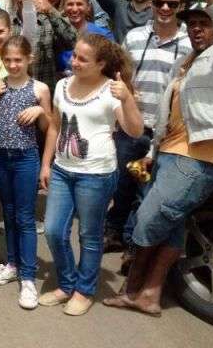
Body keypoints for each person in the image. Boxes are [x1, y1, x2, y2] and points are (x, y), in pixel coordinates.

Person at [104, 0, 213, 317]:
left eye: (205, 23)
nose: (197, 28)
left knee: (147, 218)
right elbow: (167, 116)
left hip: (199, 156)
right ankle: (149, 295)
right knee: (172, 223)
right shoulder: (186, 62)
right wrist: (152, 153)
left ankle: (133, 288)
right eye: (194, 24)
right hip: (170, 152)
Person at [39, 33, 144, 315]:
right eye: (74, 55)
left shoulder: (112, 91)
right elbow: (55, 126)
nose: (74, 62)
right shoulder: (62, 85)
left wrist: (128, 99)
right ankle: (66, 283)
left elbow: (135, 131)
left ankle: (84, 290)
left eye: (82, 59)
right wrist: (46, 163)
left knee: (89, 234)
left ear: (101, 64)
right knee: (53, 230)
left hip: (96, 175)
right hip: (62, 170)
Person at [105, 0, 192, 256]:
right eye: (159, 2)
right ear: (152, 4)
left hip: (167, 132)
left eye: (172, 3)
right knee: (122, 183)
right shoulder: (134, 37)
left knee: (150, 191)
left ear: (181, 6)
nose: (165, 8)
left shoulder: (190, 43)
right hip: (132, 125)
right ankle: (114, 231)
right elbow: (119, 73)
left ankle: (134, 244)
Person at [0, 36, 52, 309]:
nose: (13, 65)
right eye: (8, 60)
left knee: (24, 217)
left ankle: (28, 277)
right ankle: (12, 264)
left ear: (29, 59)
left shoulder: (40, 89)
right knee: (9, 214)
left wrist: (40, 110)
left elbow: (48, 128)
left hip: (26, 158)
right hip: (1, 157)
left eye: (18, 60)